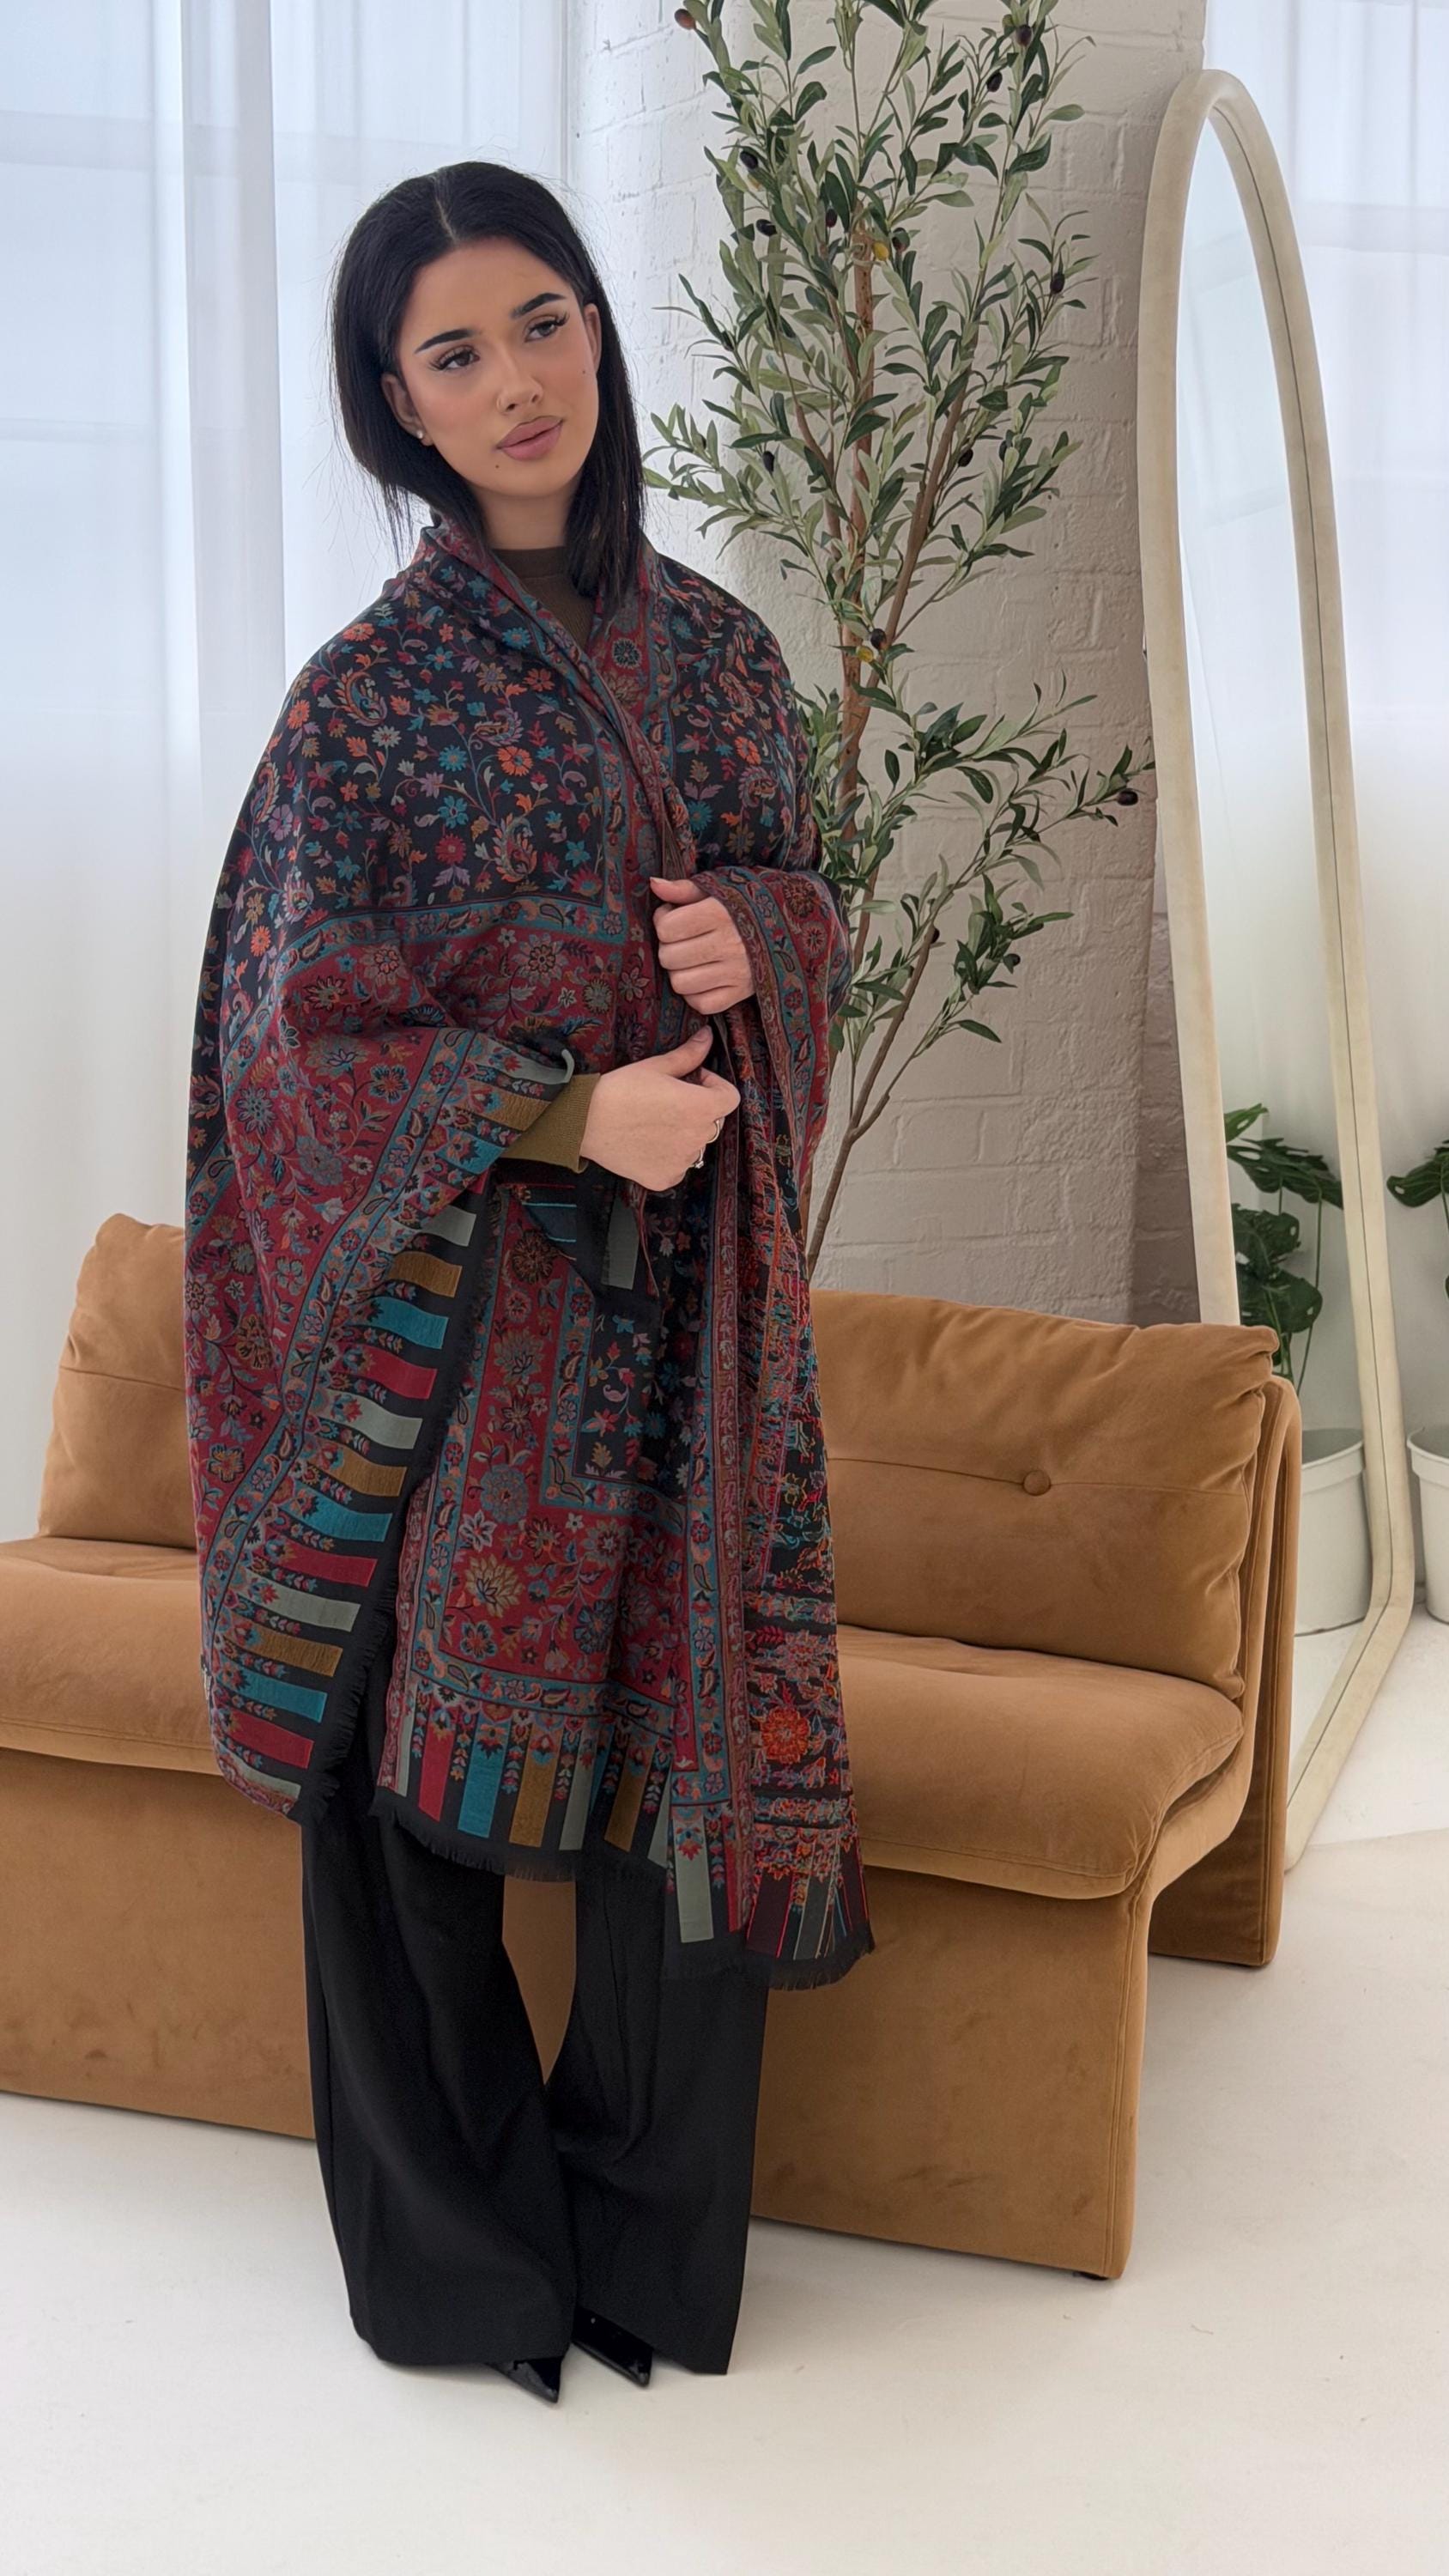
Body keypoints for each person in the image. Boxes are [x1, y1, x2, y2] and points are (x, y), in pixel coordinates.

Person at [181, 159, 874, 2406]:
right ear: (391, 405)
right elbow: (292, 1031)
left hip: (697, 1325)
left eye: (542, 321)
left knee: (689, 1771)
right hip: (472, 1335)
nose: (514, 382)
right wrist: (570, 1113)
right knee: (417, 1804)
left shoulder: (726, 649)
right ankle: (463, 2272)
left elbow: (800, 899)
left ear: (599, 330)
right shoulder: (363, 705)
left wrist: (755, 943)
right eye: (450, 352)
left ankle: (653, 2268)